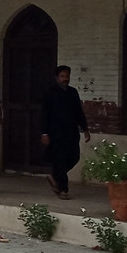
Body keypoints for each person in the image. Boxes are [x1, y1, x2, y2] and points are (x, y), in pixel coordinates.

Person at [40, 64, 90, 200]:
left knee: (74, 157)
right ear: (57, 78)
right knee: (60, 160)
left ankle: (54, 176)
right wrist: (44, 133)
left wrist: (85, 129)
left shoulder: (73, 92)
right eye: (62, 76)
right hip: (56, 133)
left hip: (71, 132)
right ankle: (63, 189)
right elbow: (44, 114)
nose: (65, 79)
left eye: (67, 76)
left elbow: (79, 112)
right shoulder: (50, 93)